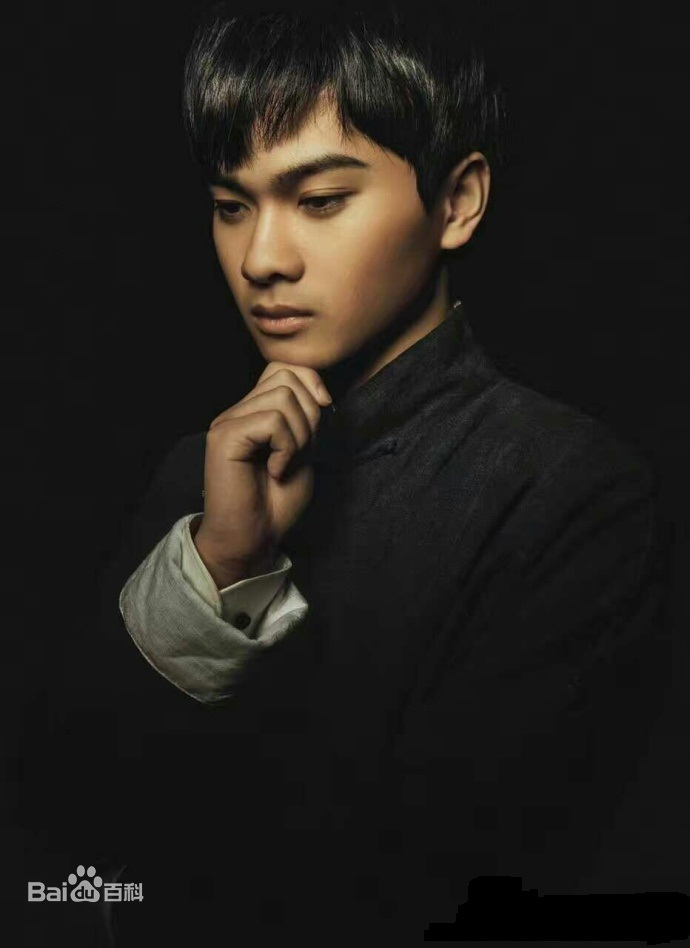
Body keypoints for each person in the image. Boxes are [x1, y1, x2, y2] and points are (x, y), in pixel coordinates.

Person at [51, 4, 672, 944]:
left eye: (320, 200)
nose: (262, 259)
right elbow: (64, 839)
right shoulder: (201, 470)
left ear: (457, 202)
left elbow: (440, 886)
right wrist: (220, 564)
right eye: (231, 206)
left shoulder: (572, 490)